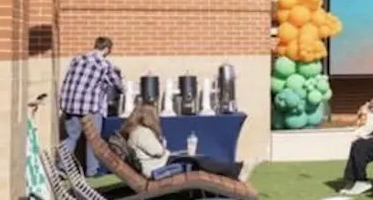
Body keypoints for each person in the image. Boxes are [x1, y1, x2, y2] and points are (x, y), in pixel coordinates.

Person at [120, 103, 242, 181]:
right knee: (200, 160)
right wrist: (162, 146)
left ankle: (232, 171)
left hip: (158, 164)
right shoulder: (141, 132)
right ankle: (235, 170)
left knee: (199, 160)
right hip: (159, 167)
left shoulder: (135, 131)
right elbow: (158, 152)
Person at [59, 36, 123, 174]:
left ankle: (61, 167)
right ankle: (92, 172)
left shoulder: (77, 59)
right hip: (90, 108)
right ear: (106, 49)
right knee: (93, 140)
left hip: (70, 106)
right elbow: (117, 85)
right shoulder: (104, 65)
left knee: (71, 137)